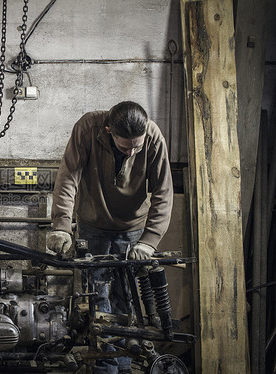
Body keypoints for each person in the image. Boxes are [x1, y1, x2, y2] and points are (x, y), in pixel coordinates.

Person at [47, 101, 173, 374]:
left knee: (125, 299)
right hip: (93, 226)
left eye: (136, 147)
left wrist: (149, 241)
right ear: (108, 130)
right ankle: (106, 368)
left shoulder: (152, 137)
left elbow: (163, 192)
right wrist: (61, 226)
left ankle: (125, 365)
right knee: (99, 300)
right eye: (125, 146)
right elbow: (68, 177)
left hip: (133, 230)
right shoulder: (87, 128)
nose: (132, 152)